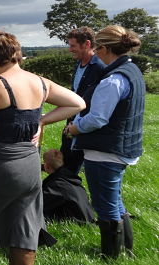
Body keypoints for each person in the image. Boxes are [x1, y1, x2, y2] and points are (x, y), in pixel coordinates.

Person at [0, 30, 86, 265]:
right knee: (24, 228)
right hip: (30, 165)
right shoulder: (40, 82)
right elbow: (77, 103)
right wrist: (41, 120)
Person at [67, 25, 144, 259]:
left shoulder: (112, 80)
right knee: (115, 200)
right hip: (122, 147)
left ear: (104, 48)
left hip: (105, 152)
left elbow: (97, 118)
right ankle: (126, 250)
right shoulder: (132, 70)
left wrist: (75, 127)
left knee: (105, 206)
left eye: (99, 48)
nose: (97, 54)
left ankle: (110, 255)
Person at [60, 27, 106, 174]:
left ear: (86, 44)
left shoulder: (100, 67)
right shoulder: (79, 65)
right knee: (66, 163)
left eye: (73, 46)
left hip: (86, 126)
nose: (70, 49)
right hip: (72, 121)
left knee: (73, 167)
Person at [42, 149, 95, 223]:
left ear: (46, 166)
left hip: (77, 222)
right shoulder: (70, 179)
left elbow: (39, 204)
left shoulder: (57, 185)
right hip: (88, 218)